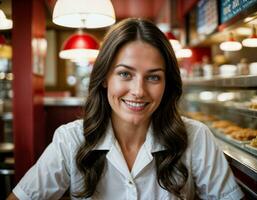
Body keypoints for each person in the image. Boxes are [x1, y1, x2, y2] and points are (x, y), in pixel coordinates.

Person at [8, 18, 244, 200]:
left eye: (153, 77)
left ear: (167, 83)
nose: (138, 90)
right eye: (124, 74)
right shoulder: (70, 140)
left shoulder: (196, 137)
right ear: (104, 78)